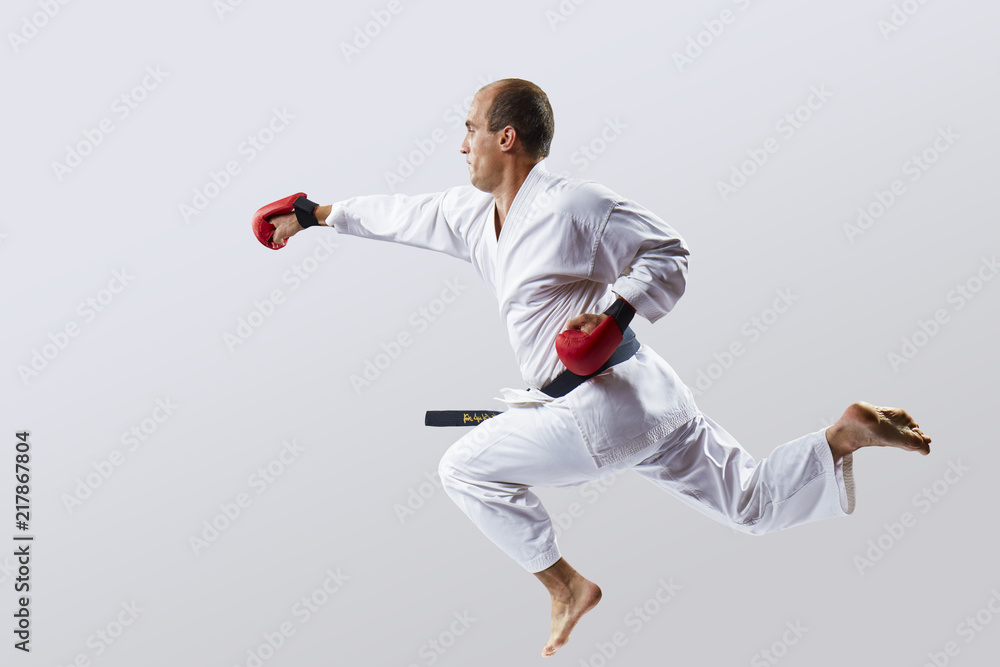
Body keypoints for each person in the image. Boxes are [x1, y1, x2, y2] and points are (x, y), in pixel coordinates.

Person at [264, 78, 931, 658]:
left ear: (505, 137)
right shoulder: (472, 215)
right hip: (646, 397)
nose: (461, 145)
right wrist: (314, 215)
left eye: (470, 129)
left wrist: (614, 315)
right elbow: (402, 215)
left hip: (605, 406)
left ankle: (566, 587)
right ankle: (840, 437)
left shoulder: (572, 205)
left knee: (462, 469)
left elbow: (669, 252)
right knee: (750, 504)